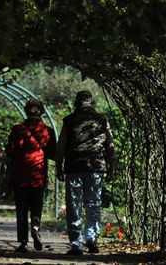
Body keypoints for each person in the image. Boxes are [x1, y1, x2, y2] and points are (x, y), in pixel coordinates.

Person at [55, 90, 116, 255]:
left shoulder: (69, 120)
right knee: (93, 204)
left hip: (74, 167)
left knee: (74, 205)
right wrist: (112, 167)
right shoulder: (102, 120)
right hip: (96, 168)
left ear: (77, 102)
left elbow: (61, 146)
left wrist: (58, 166)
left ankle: (76, 244)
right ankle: (92, 238)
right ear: (91, 102)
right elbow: (110, 145)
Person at [5, 98, 56, 252]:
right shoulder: (47, 131)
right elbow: (52, 154)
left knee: (21, 208)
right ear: (41, 112)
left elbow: (10, 151)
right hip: (38, 175)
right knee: (36, 205)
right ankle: (35, 227)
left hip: (20, 175)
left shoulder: (17, 129)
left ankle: (23, 242)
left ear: (27, 111)